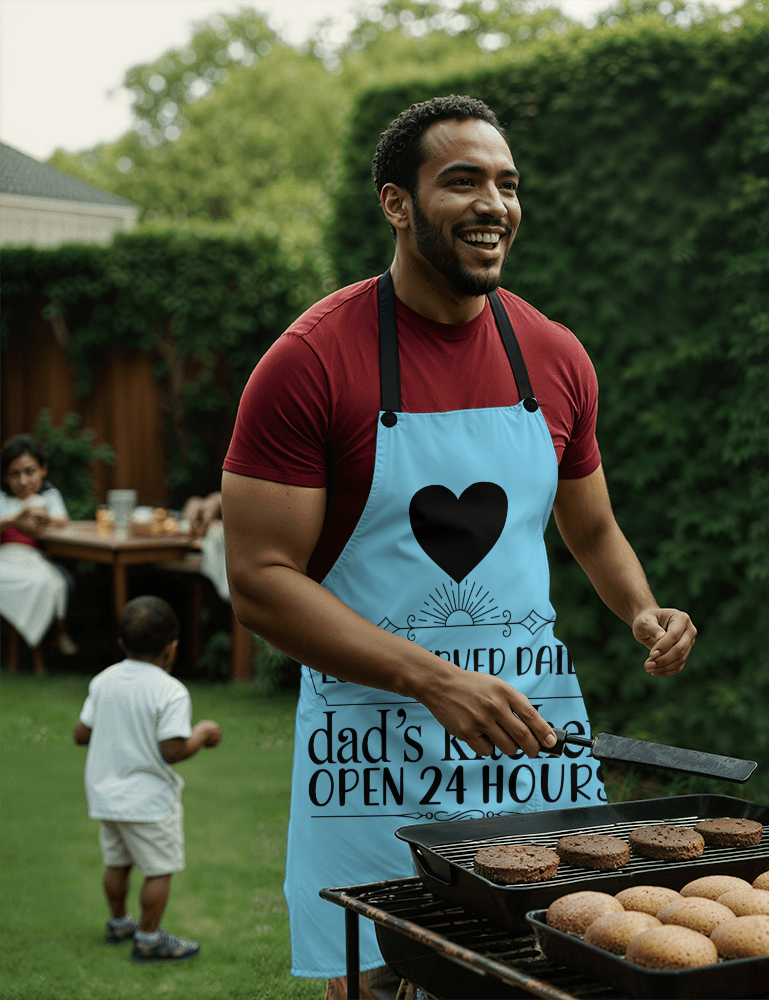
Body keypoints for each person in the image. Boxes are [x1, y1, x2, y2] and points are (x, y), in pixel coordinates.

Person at [221, 94, 697, 991]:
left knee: (544, 962)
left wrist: (642, 608)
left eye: (507, 185)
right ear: (397, 203)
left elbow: (589, 523)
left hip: (528, 734)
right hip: (369, 745)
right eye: (463, 181)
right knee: (376, 973)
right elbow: (259, 582)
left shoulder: (556, 356)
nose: (495, 205)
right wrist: (434, 680)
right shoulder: (311, 362)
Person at [73, 594, 223, 964]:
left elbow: (80, 733)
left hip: (106, 795)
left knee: (117, 862)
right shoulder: (169, 690)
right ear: (171, 648)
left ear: (122, 643)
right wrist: (202, 734)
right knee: (158, 868)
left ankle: (119, 922)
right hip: (148, 801)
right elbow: (171, 749)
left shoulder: (104, 680)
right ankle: (149, 938)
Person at [0, 434, 78, 674]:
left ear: (43, 470)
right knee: (40, 583)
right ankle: (54, 632)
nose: (23, 481)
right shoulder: (3, 499)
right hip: (6, 558)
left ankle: (57, 631)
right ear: (6, 476)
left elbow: (63, 521)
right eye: (15, 474)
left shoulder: (49, 497)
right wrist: (17, 518)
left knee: (50, 582)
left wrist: (45, 520)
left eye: (30, 471)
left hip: (34, 558)